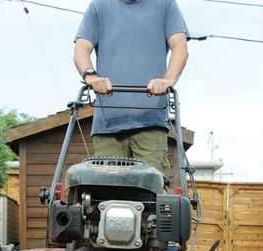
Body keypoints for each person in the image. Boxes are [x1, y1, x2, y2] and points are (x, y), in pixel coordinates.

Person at [73, 0, 189, 178]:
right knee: (105, 191)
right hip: (108, 125)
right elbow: (82, 47)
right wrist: (91, 76)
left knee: (153, 189)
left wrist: (167, 80)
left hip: (151, 121)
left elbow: (180, 46)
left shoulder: (165, 4)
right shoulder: (99, 5)